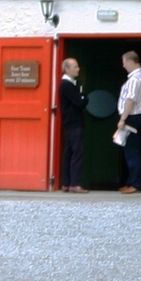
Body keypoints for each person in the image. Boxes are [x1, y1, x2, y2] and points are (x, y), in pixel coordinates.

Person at [115, 49, 141, 193]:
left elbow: (130, 100)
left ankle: (136, 184)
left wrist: (123, 119)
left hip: (133, 117)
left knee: (131, 151)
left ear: (131, 61)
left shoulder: (134, 79)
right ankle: (133, 181)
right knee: (137, 149)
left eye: (124, 62)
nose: (123, 65)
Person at [58, 57, 86, 192]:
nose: (78, 69)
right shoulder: (67, 85)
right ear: (67, 69)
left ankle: (66, 183)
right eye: (75, 67)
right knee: (76, 153)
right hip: (74, 123)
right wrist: (84, 97)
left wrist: (81, 96)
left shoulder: (69, 84)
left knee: (69, 153)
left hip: (69, 123)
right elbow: (80, 102)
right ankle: (74, 184)